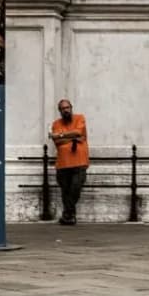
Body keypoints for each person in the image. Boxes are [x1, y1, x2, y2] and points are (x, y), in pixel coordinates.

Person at [49, 97, 89, 226]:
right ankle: (69, 216)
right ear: (59, 111)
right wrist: (72, 137)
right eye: (63, 109)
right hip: (63, 164)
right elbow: (57, 142)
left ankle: (67, 214)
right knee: (65, 191)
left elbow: (78, 132)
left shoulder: (80, 118)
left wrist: (61, 135)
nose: (66, 110)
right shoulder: (56, 124)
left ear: (71, 108)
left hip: (80, 161)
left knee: (75, 188)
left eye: (67, 108)